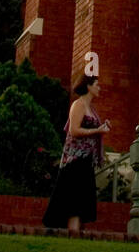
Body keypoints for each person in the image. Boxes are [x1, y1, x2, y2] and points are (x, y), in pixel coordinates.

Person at [42, 76, 110, 234]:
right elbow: (74, 130)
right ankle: (71, 232)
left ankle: (76, 232)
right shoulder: (78, 105)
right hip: (74, 159)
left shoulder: (91, 109)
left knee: (81, 199)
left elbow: (92, 129)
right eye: (97, 85)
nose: (99, 88)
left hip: (87, 159)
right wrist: (97, 130)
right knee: (72, 199)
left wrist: (102, 127)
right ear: (88, 87)